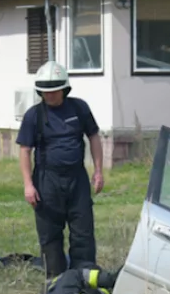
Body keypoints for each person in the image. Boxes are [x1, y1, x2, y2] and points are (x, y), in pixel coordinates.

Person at [16, 61, 104, 279]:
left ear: (64, 89)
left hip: (77, 179)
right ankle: (56, 281)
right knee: (50, 234)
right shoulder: (33, 116)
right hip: (47, 180)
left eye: (54, 91)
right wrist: (28, 185)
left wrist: (98, 171)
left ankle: (84, 277)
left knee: (83, 231)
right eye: (45, 92)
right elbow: (25, 150)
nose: (49, 95)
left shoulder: (79, 108)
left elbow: (93, 136)